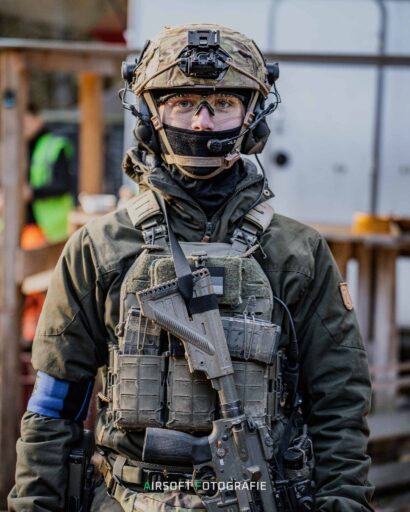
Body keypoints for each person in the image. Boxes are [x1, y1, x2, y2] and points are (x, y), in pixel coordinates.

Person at [8, 24, 373, 512]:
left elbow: (340, 407)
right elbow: (53, 411)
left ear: (252, 116)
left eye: (222, 103)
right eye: (182, 103)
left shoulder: (297, 254)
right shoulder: (99, 250)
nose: (202, 123)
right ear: (149, 115)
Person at [21, 103, 74, 248]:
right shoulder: (15, 146)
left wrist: (32, 192)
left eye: (25, 121)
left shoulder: (54, 145)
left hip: (49, 228)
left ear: (37, 119)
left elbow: (63, 184)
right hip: (23, 227)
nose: (22, 127)